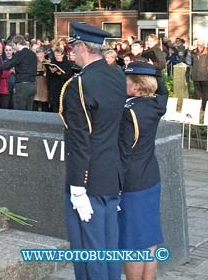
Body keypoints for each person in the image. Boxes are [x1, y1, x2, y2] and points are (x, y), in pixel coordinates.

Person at [59, 22, 126, 280]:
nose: (71, 52)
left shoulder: (77, 85)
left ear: (84, 47)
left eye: (73, 46)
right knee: (109, 247)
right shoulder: (117, 75)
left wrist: (77, 187)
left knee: (89, 252)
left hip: (88, 180)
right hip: (112, 173)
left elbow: (79, 140)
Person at [119, 61, 167, 280]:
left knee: (133, 243)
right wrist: (153, 70)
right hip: (150, 177)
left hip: (132, 183)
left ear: (138, 86)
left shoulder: (128, 112)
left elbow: (123, 154)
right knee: (149, 239)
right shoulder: (157, 104)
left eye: (127, 80)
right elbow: (163, 89)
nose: (124, 83)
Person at [0, 35, 38, 111]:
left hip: (22, 85)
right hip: (33, 85)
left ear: (18, 43)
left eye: (13, 45)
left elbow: (8, 64)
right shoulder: (32, 54)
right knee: (29, 110)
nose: (13, 47)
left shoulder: (20, 53)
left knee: (19, 109)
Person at [190, 38, 208, 111]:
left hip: (204, 74)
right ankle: (198, 107)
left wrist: (207, 69)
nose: (199, 46)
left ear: (203, 45)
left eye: (200, 45)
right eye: (198, 45)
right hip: (196, 75)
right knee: (197, 92)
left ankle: (205, 107)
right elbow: (191, 62)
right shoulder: (193, 52)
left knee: (205, 92)